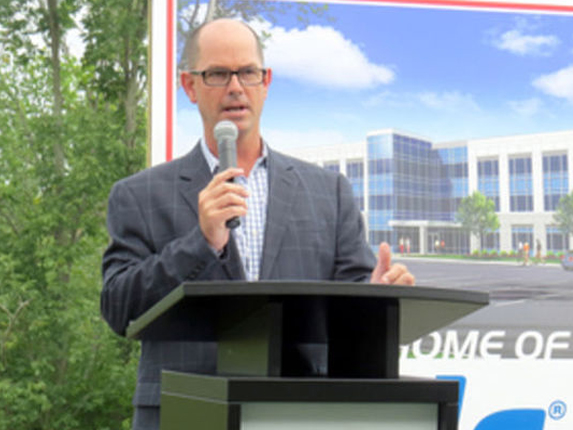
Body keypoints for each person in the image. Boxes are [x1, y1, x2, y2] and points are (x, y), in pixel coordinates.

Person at [101, 19, 415, 430]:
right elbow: (118, 308)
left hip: (296, 415)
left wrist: (375, 296)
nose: (235, 87)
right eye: (218, 74)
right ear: (190, 86)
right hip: (183, 414)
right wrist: (201, 243)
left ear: (265, 82)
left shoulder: (328, 191)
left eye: (247, 72)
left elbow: (350, 304)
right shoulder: (139, 195)